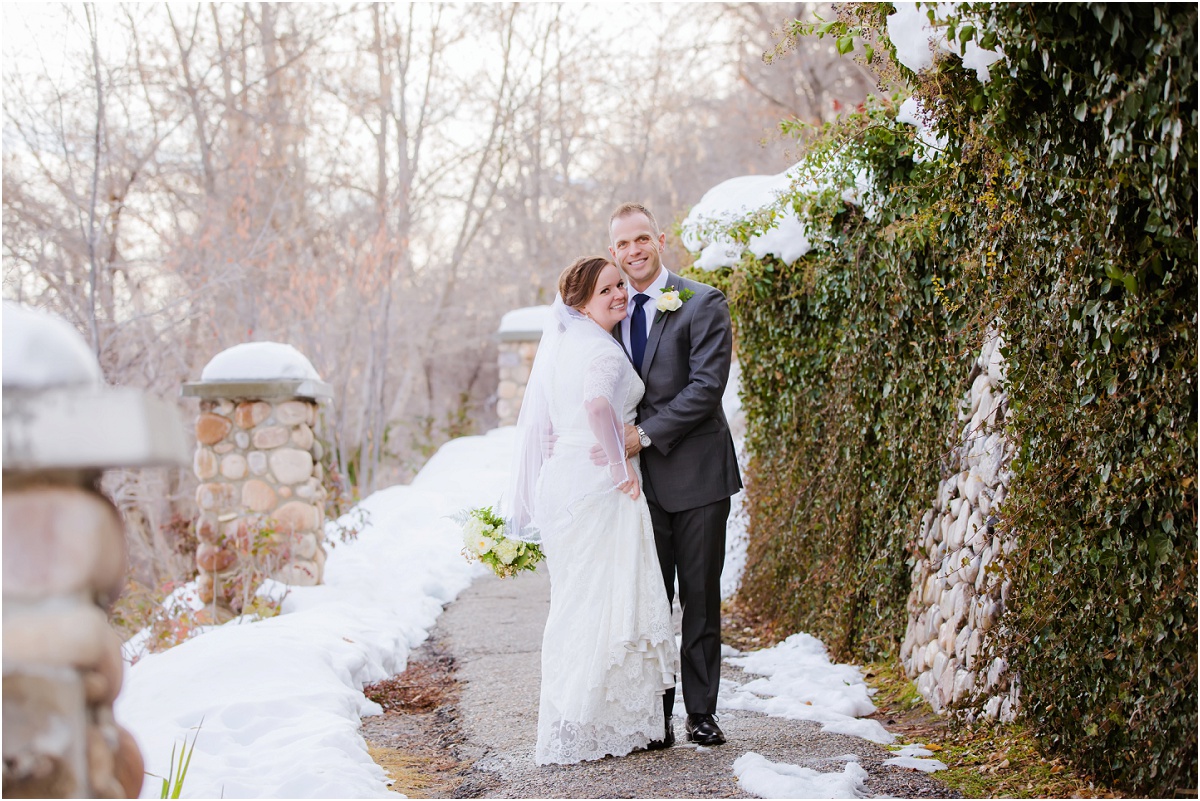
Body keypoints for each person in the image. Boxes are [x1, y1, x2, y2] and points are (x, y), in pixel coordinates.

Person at [504, 256, 678, 765]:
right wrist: (623, 473)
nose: (621, 294)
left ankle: (576, 721)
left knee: (576, 606)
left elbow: (551, 424)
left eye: (621, 285)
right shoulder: (601, 350)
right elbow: (599, 408)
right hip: (599, 485)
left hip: (563, 481)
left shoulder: (563, 347)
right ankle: (596, 721)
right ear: (580, 302)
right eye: (607, 290)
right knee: (605, 602)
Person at [599, 202, 742, 747]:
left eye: (642, 239)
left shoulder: (701, 301)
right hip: (636, 487)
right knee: (648, 603)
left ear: (659, 239)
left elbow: (706, 388)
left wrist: (646, 434)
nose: (634, 251)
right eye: (623, 244)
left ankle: (701, 714)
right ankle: (652, 718)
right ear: (612, 252)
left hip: (699, 475)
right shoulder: (607, 312)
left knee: (700, 599)